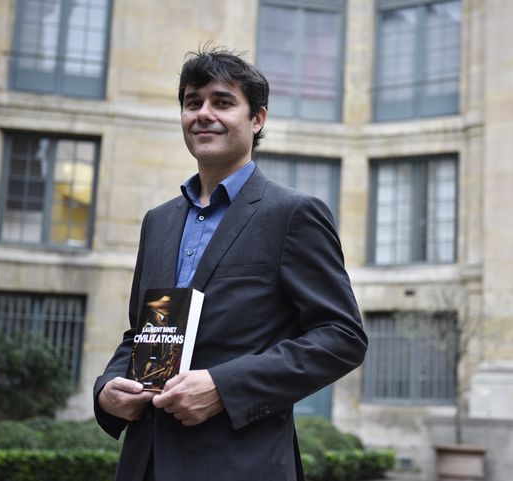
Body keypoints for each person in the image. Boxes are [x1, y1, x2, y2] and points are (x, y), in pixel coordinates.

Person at [93, 46, 368, 481]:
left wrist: (224, 388)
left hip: (242, 464)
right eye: (192, 102)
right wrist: (106, 389)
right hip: (145, 463)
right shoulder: (159, 222)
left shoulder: (293, 214)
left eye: (222, 102)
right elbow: (143, 333)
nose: (203, 113)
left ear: (257, 119)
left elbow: (341, 337)